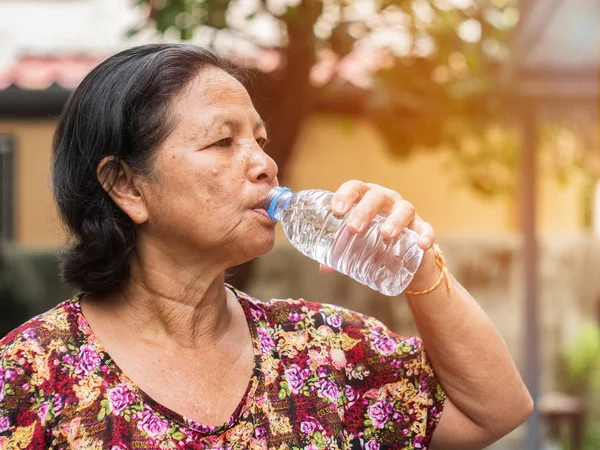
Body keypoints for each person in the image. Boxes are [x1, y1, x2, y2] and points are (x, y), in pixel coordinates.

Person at [0, 44, 532, 449]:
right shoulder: (30, 376)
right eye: (222, 141)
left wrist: (416, 262)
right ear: (127, 186)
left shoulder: (324, 350)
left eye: (260, 140)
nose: (264, 163)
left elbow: (494, 412)